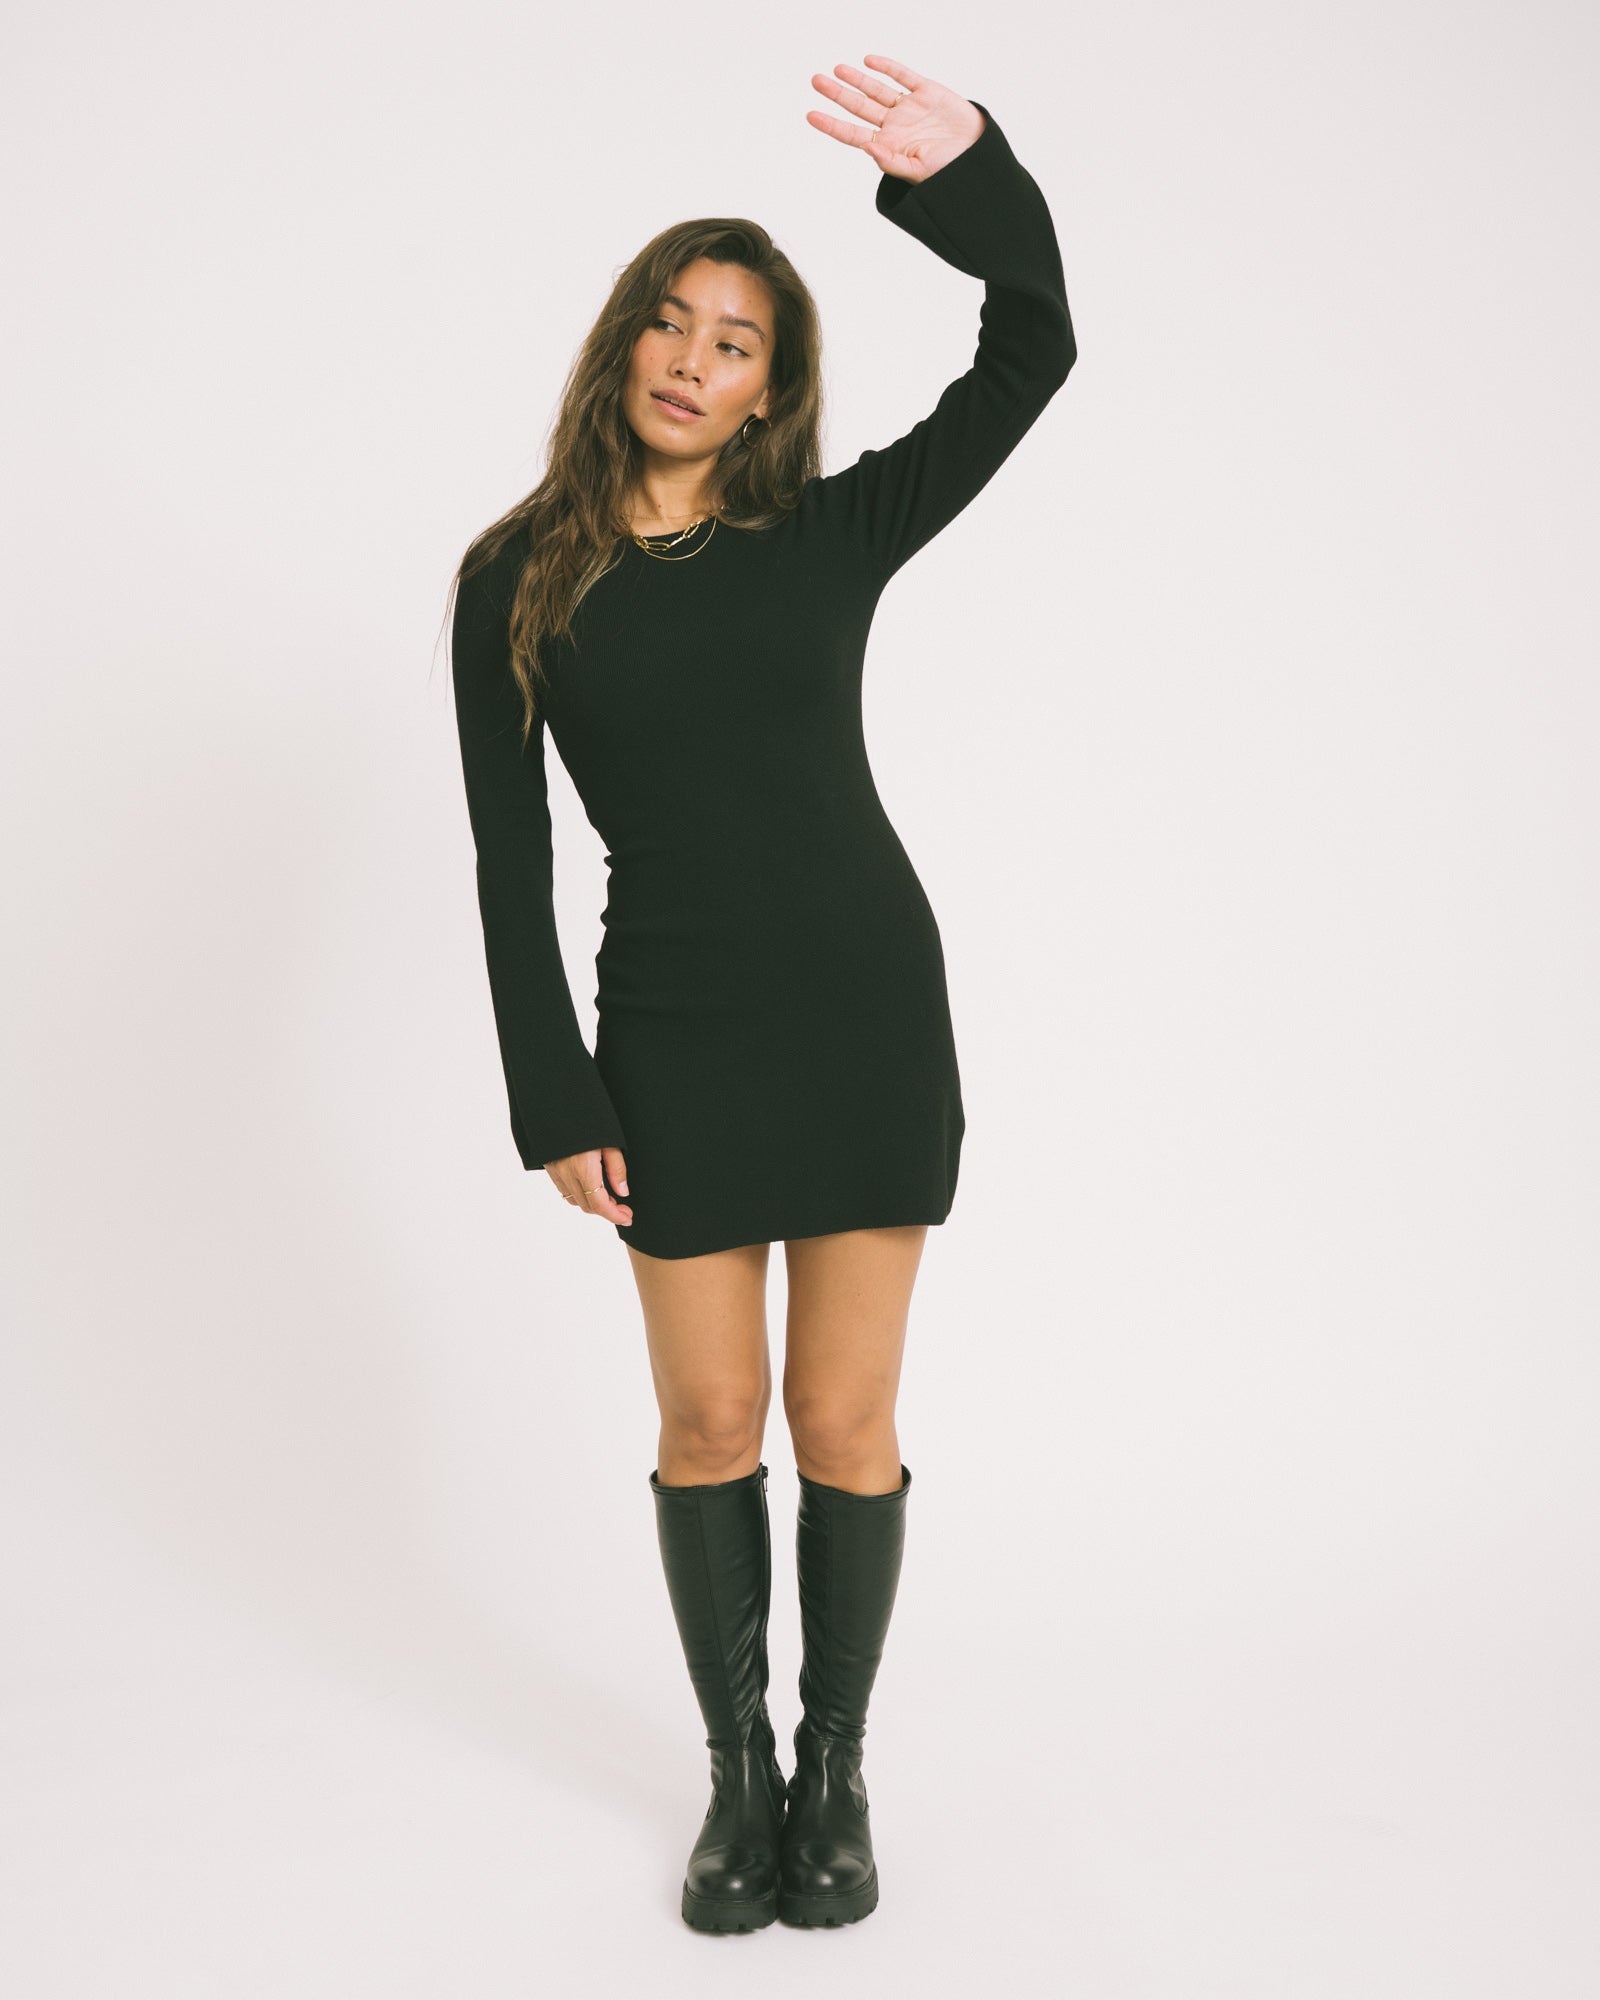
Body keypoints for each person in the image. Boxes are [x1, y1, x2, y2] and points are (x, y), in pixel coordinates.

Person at [447, 52, 1076, 1932]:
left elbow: (1033, 349)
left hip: (863, 1014)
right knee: (712, 1423)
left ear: (770, 389)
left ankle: (835, 1773)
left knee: (843, 1428)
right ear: (622, 342)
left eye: (735, 343)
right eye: (670, 321)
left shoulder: (824, 533)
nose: (691, 360)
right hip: (675, 1039)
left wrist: (967, 177)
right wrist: (556, 1092)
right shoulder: (513, 579)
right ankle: (737, 1778)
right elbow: (506, 860)